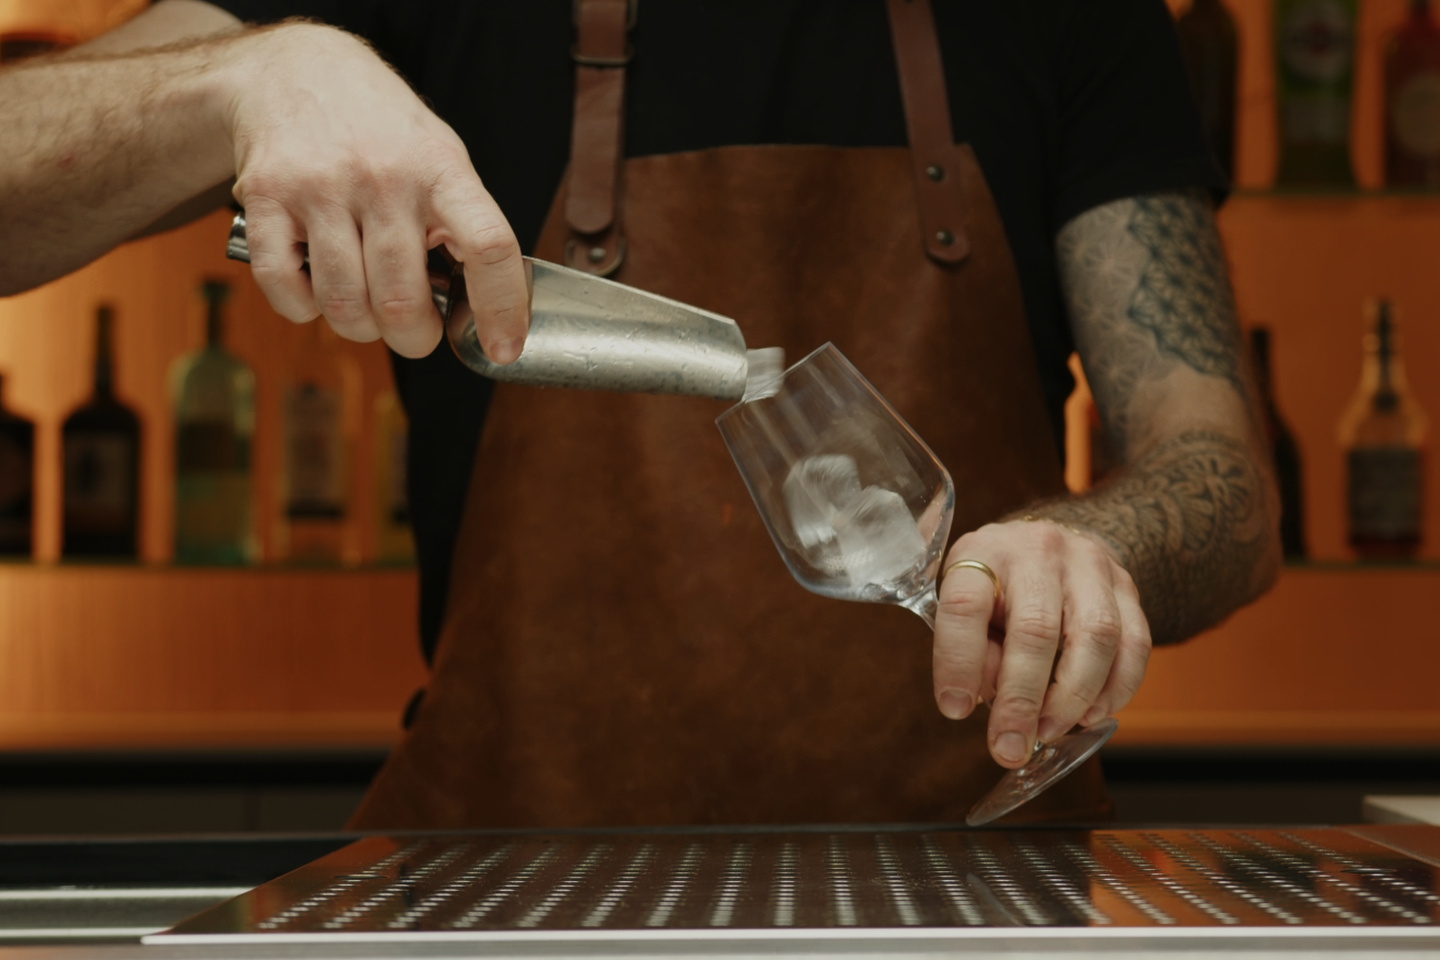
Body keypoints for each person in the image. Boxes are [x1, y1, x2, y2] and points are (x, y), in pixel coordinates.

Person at [0, 0, 1279, 826]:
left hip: (974, 891)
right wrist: (252, 73)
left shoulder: (1074, 19)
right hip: (509, 894)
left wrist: (1101, 544)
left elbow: (1219, 476)